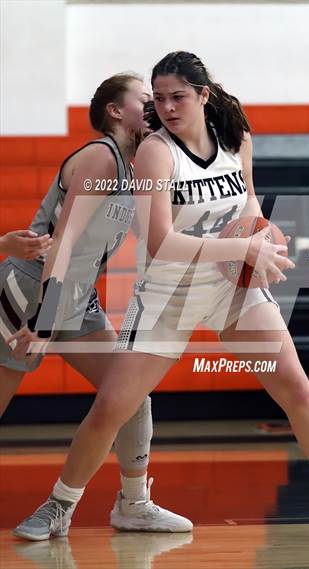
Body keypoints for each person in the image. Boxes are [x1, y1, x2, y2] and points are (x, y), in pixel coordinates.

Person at [14, 51, 309, 542]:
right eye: (161, 98)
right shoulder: (155, 151)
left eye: (179, 97)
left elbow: (250, 203)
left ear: (203, 95)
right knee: (112, 406)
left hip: (231, 290)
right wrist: (243, 245)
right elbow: (159, 241)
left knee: (298, 392)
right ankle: (59, 506)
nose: (168, 107)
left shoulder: (237, 139)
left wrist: (265, 240)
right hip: (169, 294)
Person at [1, 71, 192, 538]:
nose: (154, 107)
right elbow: (62, 245)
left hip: (77, 300)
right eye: (145, 99)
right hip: (31, 294)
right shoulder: (99, 158)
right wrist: (45, 322)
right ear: (114, 110)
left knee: (129, 394)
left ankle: (134, 503)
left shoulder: (140, 165)